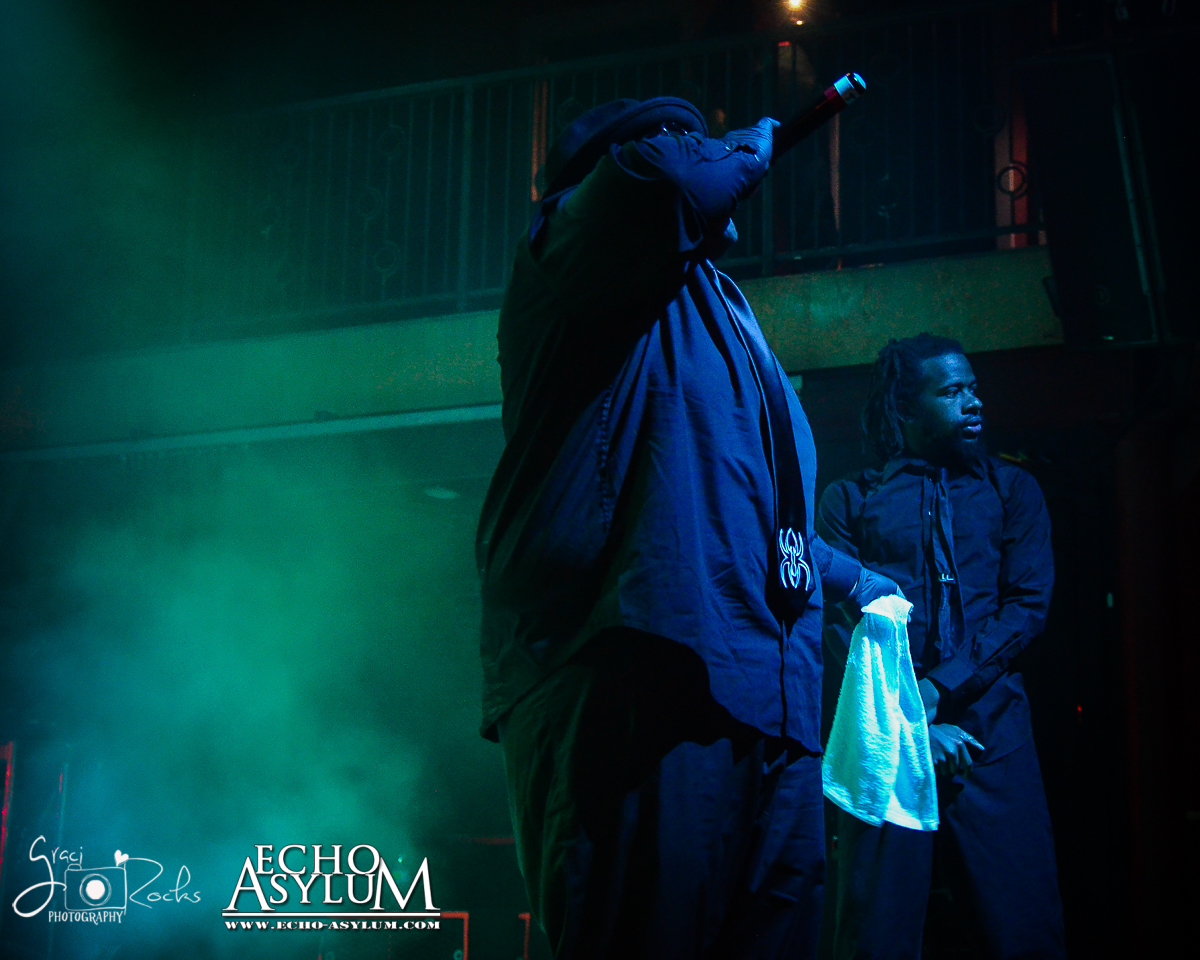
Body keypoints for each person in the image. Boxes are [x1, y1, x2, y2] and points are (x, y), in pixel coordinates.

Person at [475, 98, 900, 960]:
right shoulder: (572, 249)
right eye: (684, 136)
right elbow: (663, 178)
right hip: (641, 666)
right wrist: (753, 139)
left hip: (762, 694)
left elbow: (744, 514)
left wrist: (855, 581)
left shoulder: (719, 313)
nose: (701, 151)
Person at [816, 333, 1066, 960]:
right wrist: (914, 722)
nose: (973, 401)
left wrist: (937, 689)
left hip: (993, 742)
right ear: (905, 407)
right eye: (952, 391)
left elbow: (1025, 608)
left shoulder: (1012, 489)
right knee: (874, 939)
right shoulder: (848, 501)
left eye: (973, 388)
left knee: (1023, 932)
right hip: (888, 747)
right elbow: (841, 630)